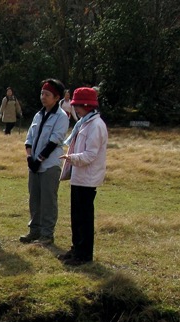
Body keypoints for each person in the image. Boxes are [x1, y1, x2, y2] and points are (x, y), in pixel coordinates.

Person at [58, 87, 108, 266]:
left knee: (84, 218)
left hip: (88, 178)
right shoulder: (85, 123)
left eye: (77, 106)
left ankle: (84, 254)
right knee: (76, 216)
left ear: (87, 106)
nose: (75, 109)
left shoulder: (95, 125)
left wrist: (70, 158)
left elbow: (90, 155)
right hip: (79, 177)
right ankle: (76, 249)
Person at [20, 78, 70, 246]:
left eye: (47, 94)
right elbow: (29, 139)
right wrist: (29, 158)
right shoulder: (38, 114)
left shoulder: (62, 117)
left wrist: (39, 159)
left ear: (56, 97)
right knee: (34, 198)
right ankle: (34, 231)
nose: (43, 97)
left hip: (50, 164)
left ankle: (47, 234)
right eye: (42, 93)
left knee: (48, 200)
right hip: (34, 164)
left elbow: (54, 141)